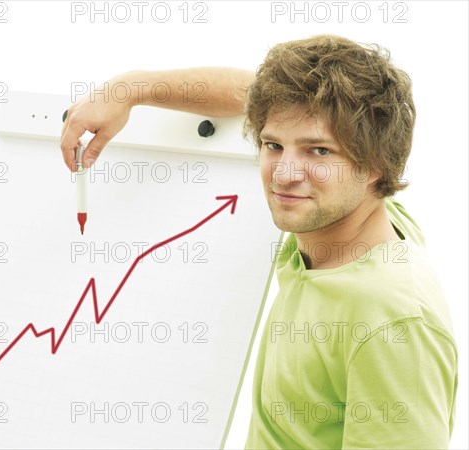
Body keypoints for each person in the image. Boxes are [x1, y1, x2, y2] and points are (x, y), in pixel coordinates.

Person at [60, 35, 457, 449]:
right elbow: (251, 91)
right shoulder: (350, 218)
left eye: (318, 151)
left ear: (377, 164)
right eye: (273, 145)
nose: (284, 173)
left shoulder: (391, 321)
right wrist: (130, 88)